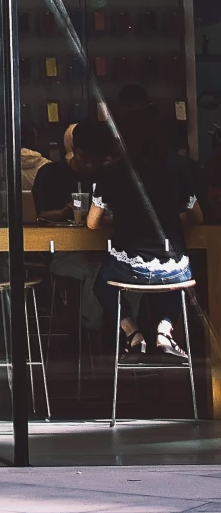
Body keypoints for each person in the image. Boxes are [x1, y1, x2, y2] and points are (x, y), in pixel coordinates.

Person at [87, 104, 199, 360]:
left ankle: (133, 334)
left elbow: (93, 223)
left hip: (129, 268)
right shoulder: (179, 168)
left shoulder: (111, 172)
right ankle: (164, 331)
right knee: (175, 278)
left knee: (103, 284)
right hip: (174, 266)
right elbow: (198, 217)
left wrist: (122, 215)